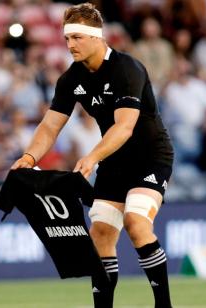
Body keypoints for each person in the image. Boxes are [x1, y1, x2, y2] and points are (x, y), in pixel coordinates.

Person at [11, 3, 174, 308]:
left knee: (137, 223)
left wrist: (92, 157)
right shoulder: (71, 79)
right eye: (67, 39)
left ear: (96, 37)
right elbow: (50, 126)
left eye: (76, 37)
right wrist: (30, 157)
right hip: (114, 162)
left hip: (150, 158)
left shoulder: (128, 69)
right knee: (99, 234)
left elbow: (124, 127)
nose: (70, 44)